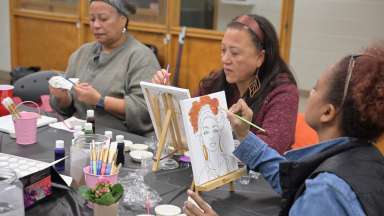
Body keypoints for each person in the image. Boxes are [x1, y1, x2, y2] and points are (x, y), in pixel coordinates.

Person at [184, 43, 384, 215]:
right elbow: (291, 179)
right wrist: (245, 135)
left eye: (315, 88)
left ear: (327, 112)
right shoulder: (367, 158)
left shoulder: (325, 192)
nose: (309, 93)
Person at [153, 14, 298, 154]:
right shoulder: (217, 81)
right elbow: (190, 123)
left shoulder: (283, 92)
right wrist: (169, 95)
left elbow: (270, 151)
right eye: (223, 50)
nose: (225, 59)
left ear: (260, 57)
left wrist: (242, 134)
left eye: (234, 53)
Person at [50, 0, 160, 136]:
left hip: (120, 140)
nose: (96, 25)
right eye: (92, 19)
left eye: (103, 19)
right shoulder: (82, 53)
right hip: (78, 134)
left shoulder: (141, 57)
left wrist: (100, 101)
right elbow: (67, 108)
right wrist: (62, 97)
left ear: (123, 20)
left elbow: (145, 109)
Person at [188, 95, 238, 185]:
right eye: (206, 132)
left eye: (215, 130)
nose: (211, 136)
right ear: (201, 137)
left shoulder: (230, 161)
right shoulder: (203, 173)